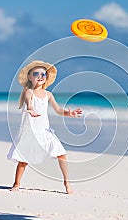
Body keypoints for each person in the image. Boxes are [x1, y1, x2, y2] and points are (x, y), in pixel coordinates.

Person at [7, 60, 82, 194]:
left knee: (62, 154)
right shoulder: (28, 92)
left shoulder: (48, 95)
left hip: (45, 131)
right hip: (30, 132)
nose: (40, 76)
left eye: (44, 74)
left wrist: (69, 113)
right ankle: (16, 183)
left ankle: (67, 183)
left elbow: (58, 110)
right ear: (30, 77)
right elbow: (28, 101)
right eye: (36, 73)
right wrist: (30, 108)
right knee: (23, 161)